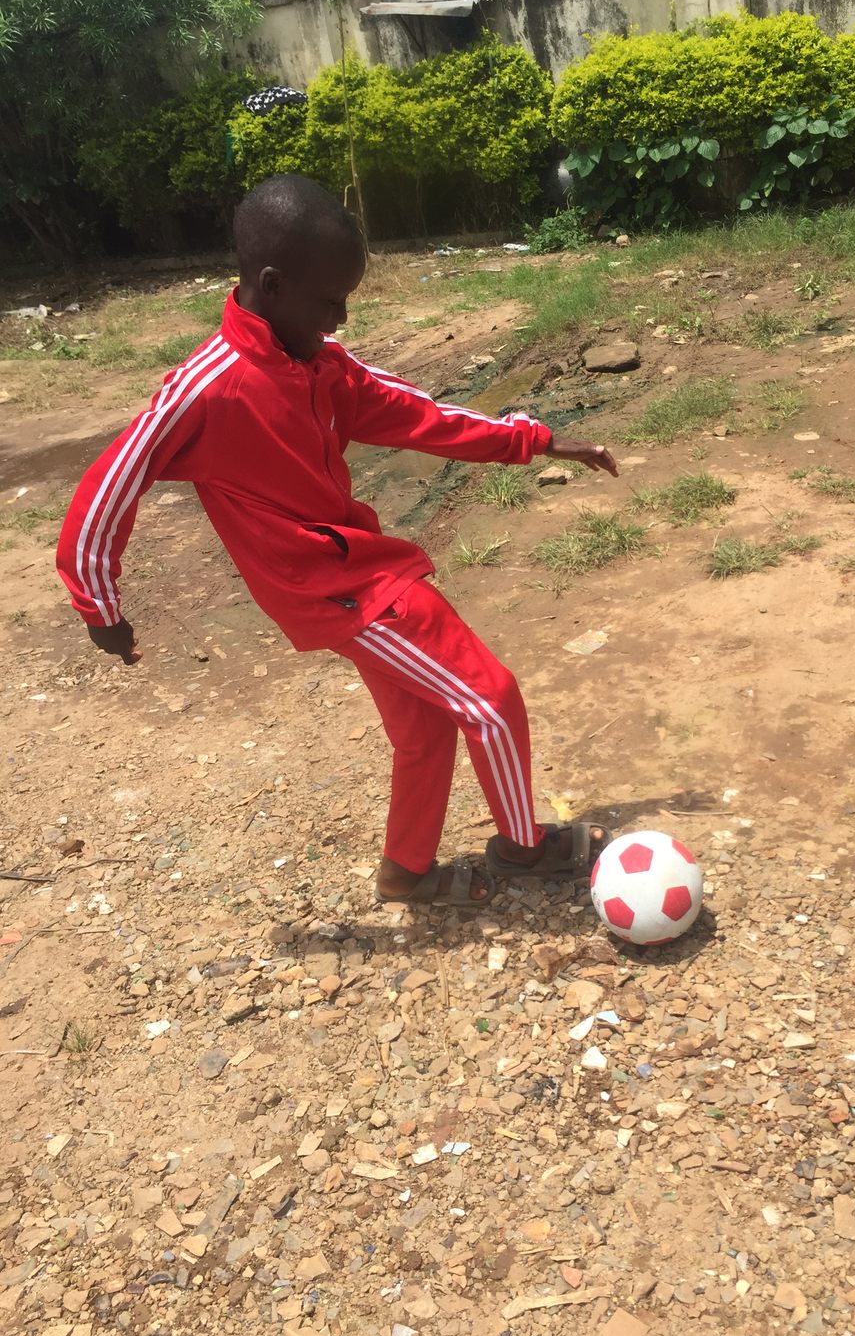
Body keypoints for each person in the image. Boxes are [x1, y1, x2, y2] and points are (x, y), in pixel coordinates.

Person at [56, 174, 618, 908]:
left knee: (425, 726)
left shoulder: (321, 364)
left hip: (357, 566)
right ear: (272, 284)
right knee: (489, 697)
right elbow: (110, 483)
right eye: (330, 300)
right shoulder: (206, 389)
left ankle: (407, 873)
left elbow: (420, 414)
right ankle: (523, 847)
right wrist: (98, 605)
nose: (341, 317)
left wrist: (534, 440)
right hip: (332, 589)